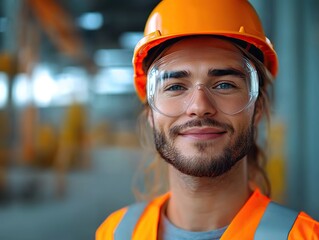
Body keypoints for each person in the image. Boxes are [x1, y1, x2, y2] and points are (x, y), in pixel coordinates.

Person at [96, 0, 319, 239]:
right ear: (151, 113)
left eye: (225, 85)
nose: (199, 107)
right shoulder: (116, 232)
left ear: (258, 109)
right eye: (176, 87)